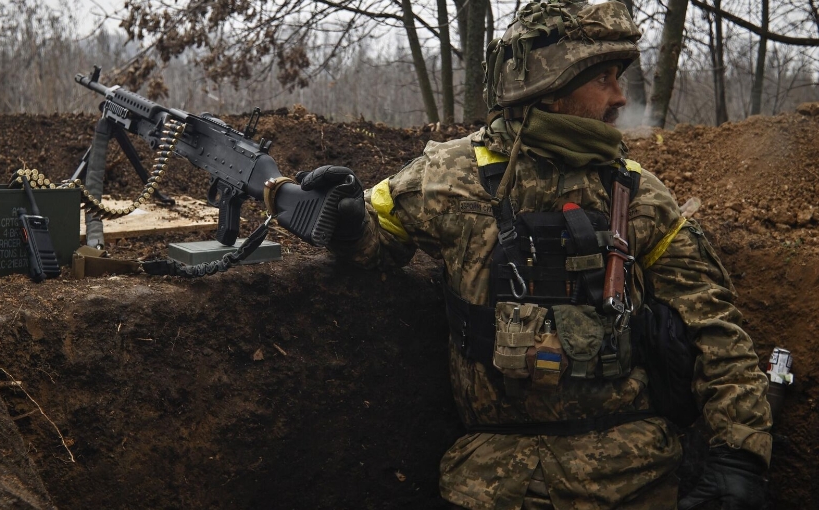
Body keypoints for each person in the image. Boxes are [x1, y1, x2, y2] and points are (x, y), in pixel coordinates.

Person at [293, 1, 773, 509]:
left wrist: (739, 456)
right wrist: (346, 220)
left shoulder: (639, 195)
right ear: (550, 86)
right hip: (492, 481)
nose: (619, 95)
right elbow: (377, 237)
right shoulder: (447, 177)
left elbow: (715, 327)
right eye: (603, 78)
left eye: (619, 76)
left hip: (634, 476)